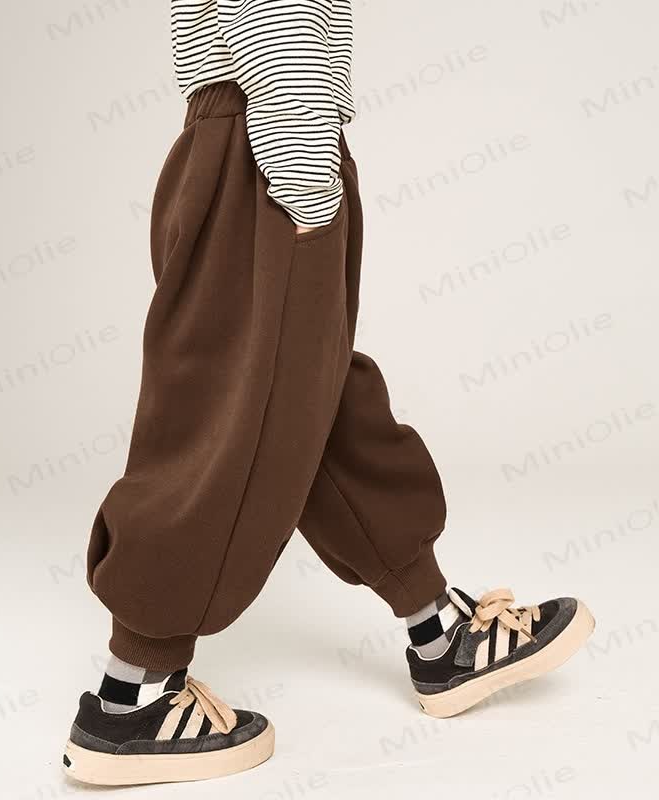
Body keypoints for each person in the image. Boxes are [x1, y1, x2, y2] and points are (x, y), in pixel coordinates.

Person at [62, 1, 595, 787]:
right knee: (225, 424)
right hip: (272, 153)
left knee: (315, 403)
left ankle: (439, 635)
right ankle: (129, 699)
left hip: (255, 146)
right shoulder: (282, 160)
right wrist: (306, 183)